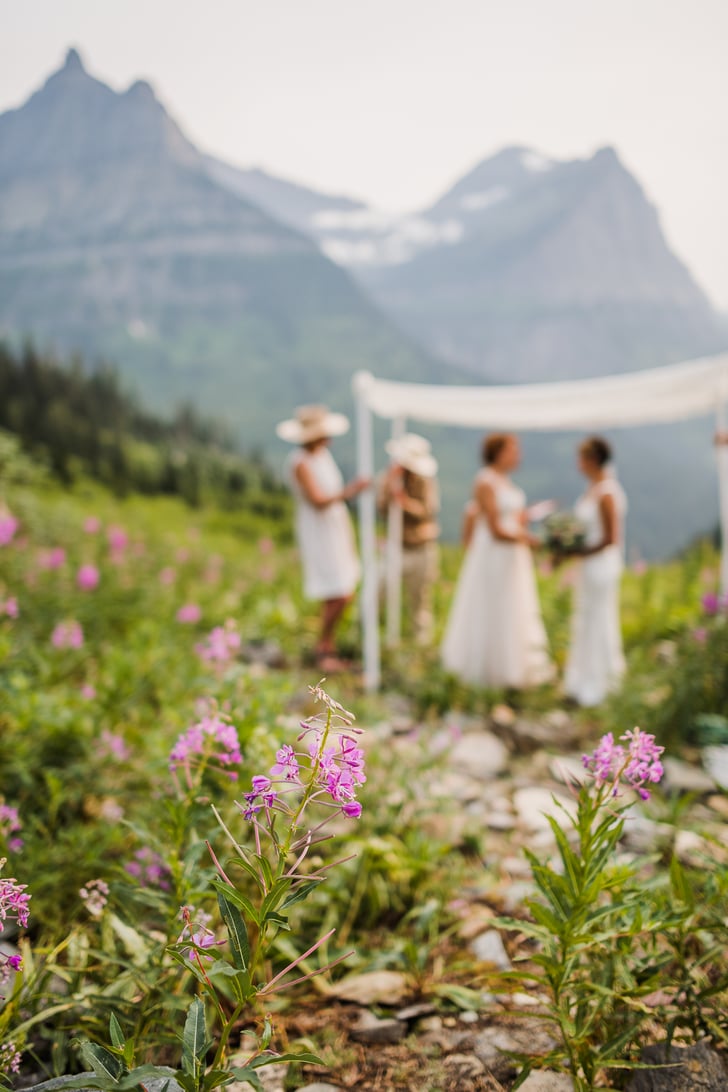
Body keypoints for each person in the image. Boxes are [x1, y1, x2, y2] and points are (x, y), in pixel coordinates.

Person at [441, 433, 552, 689]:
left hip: (512, 554)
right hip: (493, 552)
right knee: (491, 605)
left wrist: (522, 524)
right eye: (513, 450)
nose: (518, 455)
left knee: (512, 605)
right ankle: (486, 672)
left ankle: (515, 670)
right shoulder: (485, 481)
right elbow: (495, 528)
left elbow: (510, 520)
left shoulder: (506, 482)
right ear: (498, 452)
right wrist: (529, 539)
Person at [276, 404, 369, 672]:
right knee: (339, 592)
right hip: (318, 530)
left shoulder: (321, 455)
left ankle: (328, 646)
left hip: (332, 526)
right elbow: (318, 500)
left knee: (338, 589)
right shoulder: (300, 463)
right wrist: (352, 491)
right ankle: (323, 646)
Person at [564, 436, 627, 706]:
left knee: (599, 618)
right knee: (587, 618)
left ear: (593, 460)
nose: (578, 463)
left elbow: (611, 537)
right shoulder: (594, 489)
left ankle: (600, 682)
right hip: (590, 565)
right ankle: (584, 678)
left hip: (600, 565)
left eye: (582, 458)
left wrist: (578, 551)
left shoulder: (606, 493)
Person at [378, 433, 440, 644]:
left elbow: (428, 510)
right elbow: (382, 508)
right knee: (380, 590)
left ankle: (421, 641)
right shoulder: (388, 480)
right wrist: (391, 487)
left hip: (421, 546)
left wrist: (404, 503)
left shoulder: (426, 482)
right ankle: (373, 632)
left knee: (420, 598)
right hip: (397, 545)